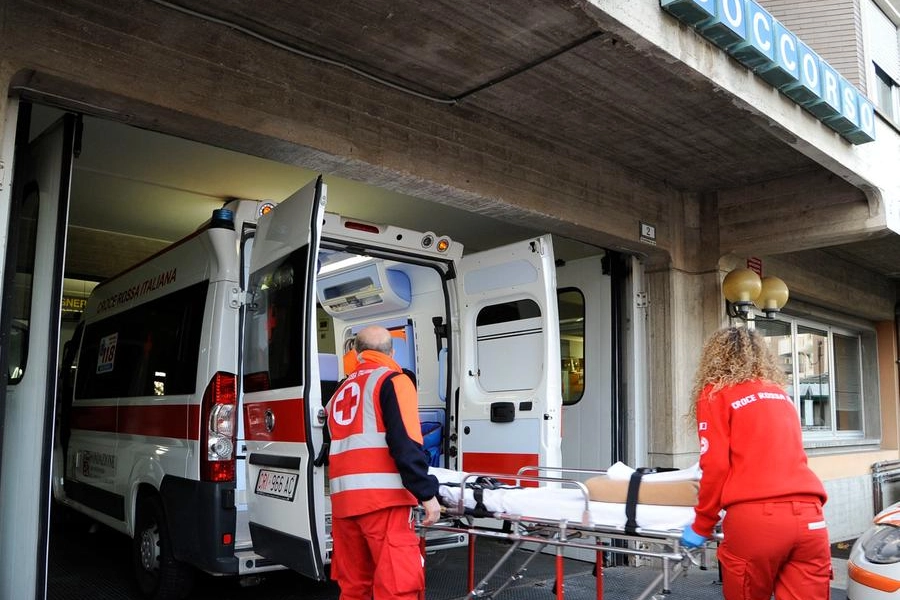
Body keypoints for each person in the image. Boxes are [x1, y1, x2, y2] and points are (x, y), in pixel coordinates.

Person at [680, 326, 831, 600]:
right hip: (811, 518)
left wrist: (702, 524)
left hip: (758, 521)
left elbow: (715, 466)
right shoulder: (779, 395)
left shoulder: (716, 394)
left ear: (715, 357)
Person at [326, 325, 441, 600]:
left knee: (354, 587)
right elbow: (405, 444)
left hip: (344, 504)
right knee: (396, 585)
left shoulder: (340, 390)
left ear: (356, 352)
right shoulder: (393, 381)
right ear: (391, 351)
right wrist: (426, 493)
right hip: (383, 501)